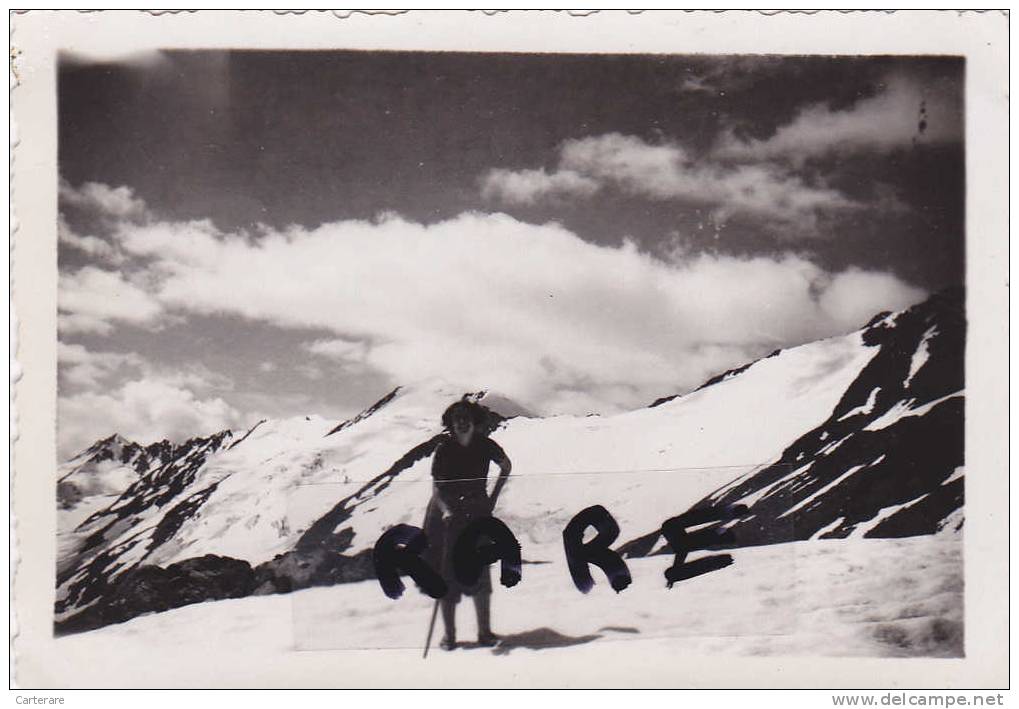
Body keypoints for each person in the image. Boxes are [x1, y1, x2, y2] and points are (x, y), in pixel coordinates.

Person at [418, 399, 512, 650]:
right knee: (447, 573)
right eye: (456, 418)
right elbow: (436, 487)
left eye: (465, 417)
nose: (461, 422)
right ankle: (449, 636)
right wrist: (446, 511)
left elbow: (506, 466)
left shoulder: (486, 445)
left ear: (474, 421)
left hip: (477, 512)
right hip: (447, 515)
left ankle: (485, 633)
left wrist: (492, 498)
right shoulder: (444, 449)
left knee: (480, 572)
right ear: (450, 423)